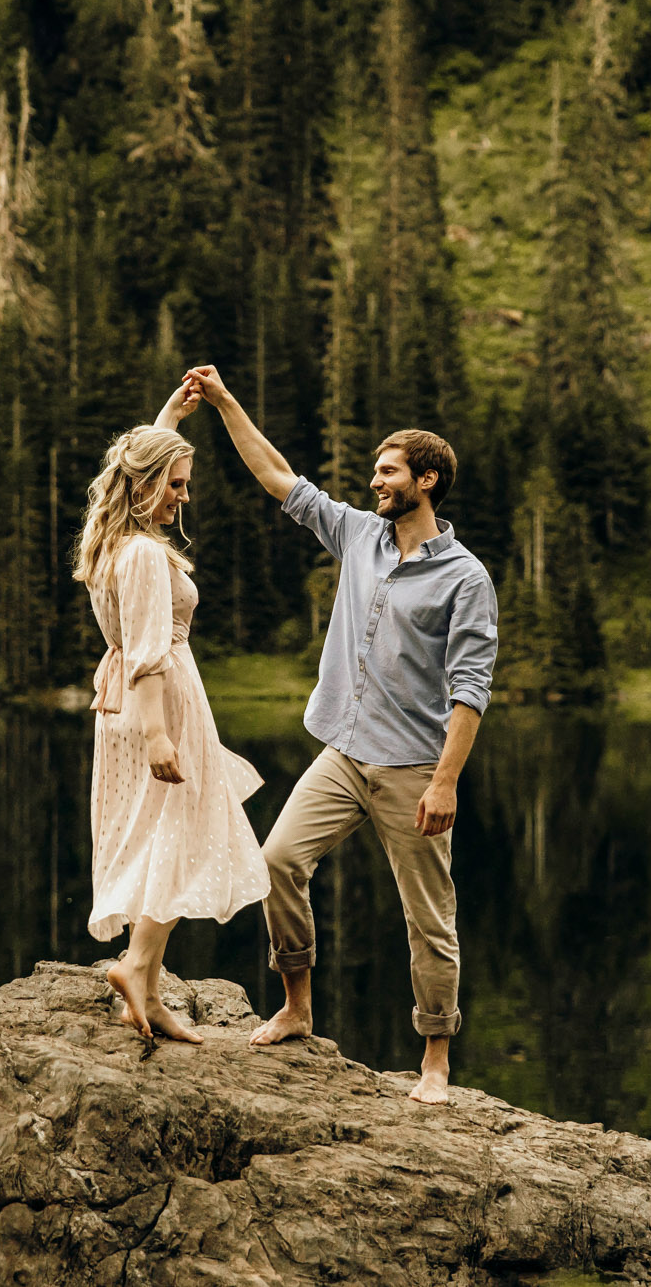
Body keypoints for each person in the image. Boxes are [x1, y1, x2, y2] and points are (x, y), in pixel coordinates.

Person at [187, 364, 498, 1105]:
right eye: (375, 471)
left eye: (388, 472)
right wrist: (228, 400)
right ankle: (297, 1007)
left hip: (414, 770)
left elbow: (471, 689)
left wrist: (446, 781)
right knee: (279, 860)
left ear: (426, 480)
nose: (374, 482)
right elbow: (277, 477)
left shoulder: (465, 578)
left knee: (429, 916)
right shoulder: (358, 534)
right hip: (342, 753)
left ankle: (434, 1058)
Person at [76, 379, 269, 1043]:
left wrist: (168, 418)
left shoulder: (113, 541)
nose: (185, 497)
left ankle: (149, 991)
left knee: (157, 828)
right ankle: (135, 966)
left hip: (121, 701)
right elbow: (152, 654)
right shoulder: (146, 559)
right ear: (147, 484)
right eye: (177, 485)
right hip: (158, 701)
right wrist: (161, 736)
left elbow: (137, 460)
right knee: (179, 828)